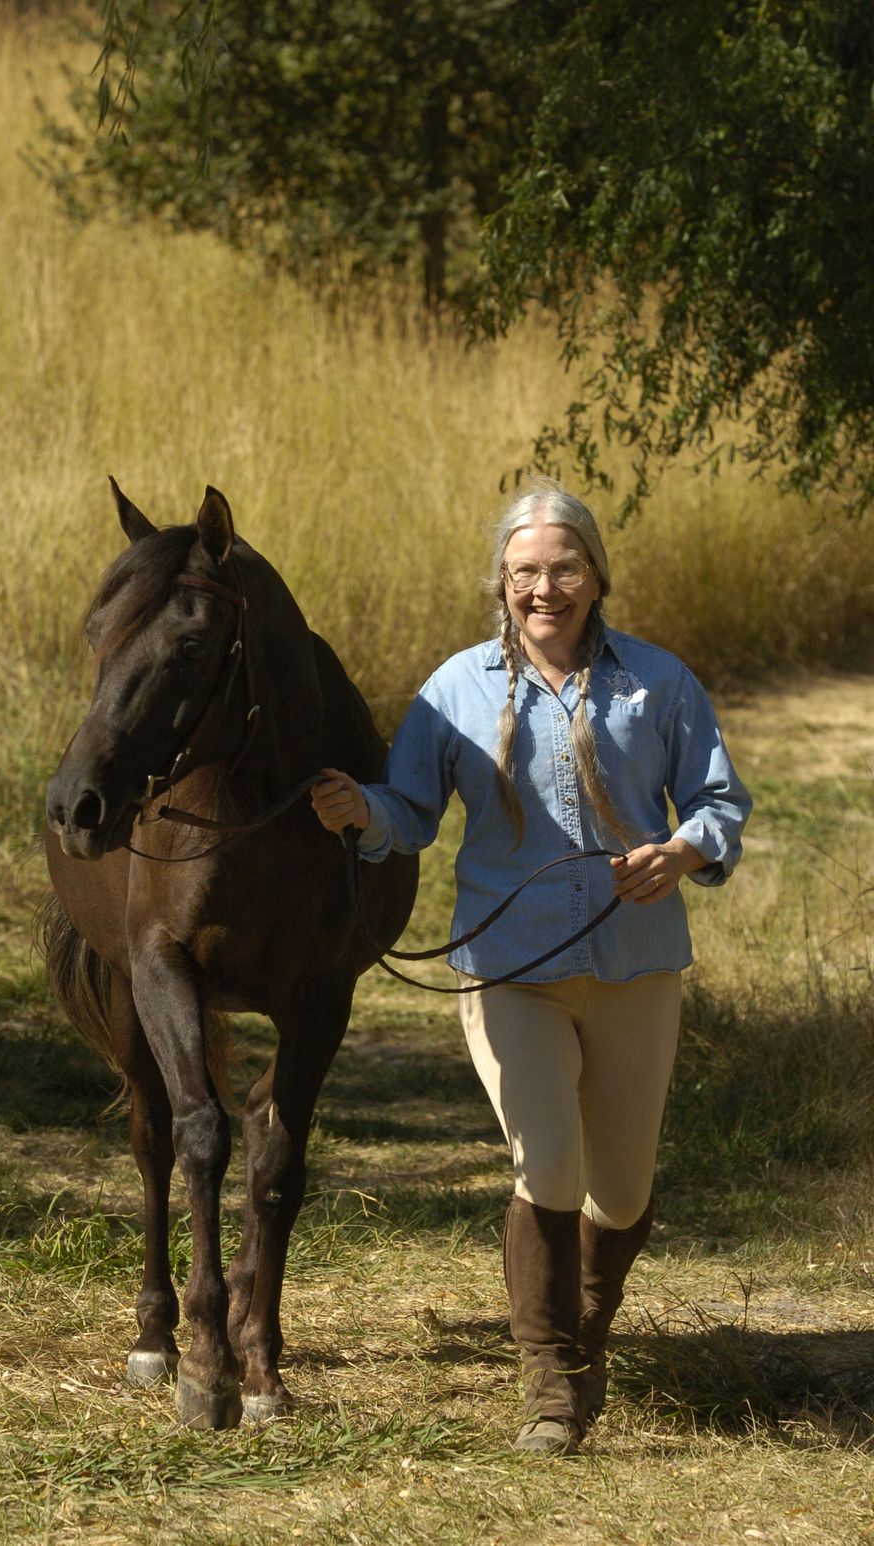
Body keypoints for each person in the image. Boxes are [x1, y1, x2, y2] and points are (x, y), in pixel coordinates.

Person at [311, 478, 751, 1457]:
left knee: (623, 1192)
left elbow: (719, 802)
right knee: (545, 1160)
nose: (542, 587)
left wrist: (683, 850)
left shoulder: (660, 683)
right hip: (507, 966)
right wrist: (362, 812)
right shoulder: (452, 689)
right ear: (499, 582)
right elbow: (410, 813)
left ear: (596, 575)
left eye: (561, 568)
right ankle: (550, 1384)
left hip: (637, 964)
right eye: (522, 572)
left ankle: (586, 1329)